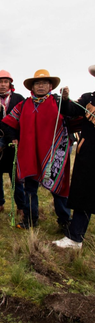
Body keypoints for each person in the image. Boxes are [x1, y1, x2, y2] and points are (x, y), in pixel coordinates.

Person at [3, 70, 71, 230]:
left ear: (50, 86)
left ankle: (65, 221)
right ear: (32, 87)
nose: (41, 86)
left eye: (44, 83)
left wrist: (66, 100)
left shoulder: (59, 102)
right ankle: (30, 220)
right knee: (30, 189)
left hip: (54, 152)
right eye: (37, 83)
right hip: (30, 153)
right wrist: (13, 137)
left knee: (59, 187)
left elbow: (73, 115)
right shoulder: (24, 104)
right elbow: (8, 122)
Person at [53, 65, 95, 248]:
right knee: (84, 193)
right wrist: (64, 99)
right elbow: (69, 109)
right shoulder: (88, 98)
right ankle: (75, 237)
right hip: (89, 154)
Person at [0, 70, 26, 216]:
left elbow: (23, 121)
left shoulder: (19, 99)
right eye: (0, 82)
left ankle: (21, 205)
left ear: (10, 84)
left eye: (5, 82)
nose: (2, 85)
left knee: (16, 176)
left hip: (14, 142)